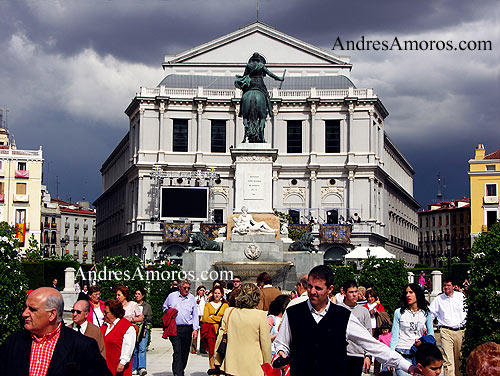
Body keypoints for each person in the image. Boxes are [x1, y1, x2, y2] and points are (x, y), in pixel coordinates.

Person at [274, 265, 419, 376]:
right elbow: (282, 343)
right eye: (310, 286)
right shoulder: (293, 312)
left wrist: (406, 366)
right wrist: (281, 352)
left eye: (318, 288)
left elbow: (373, 345)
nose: (312, 292)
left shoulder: (343, 316)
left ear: (330, 289)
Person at [0, 287, 111, 376]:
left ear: (52, 314)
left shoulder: (83, 346)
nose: (24, 314)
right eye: (25, 307)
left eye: (32, 309)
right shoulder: (13, 342)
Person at [214, 283, 272, 376]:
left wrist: (217, 360)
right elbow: (265, 345)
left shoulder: (229, 312)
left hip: (231, 365)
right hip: (254, 367)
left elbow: (220, 337)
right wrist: (267, 366)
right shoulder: (260, 315)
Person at [390, 283, 434, 376]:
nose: (408, 295)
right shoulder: (399, 312)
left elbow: (431, 335)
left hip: (418, 355)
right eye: (406, 293)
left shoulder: (426, 313)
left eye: (411, 292)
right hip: (401, 353)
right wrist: (390, 357)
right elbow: (394, 336)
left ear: (417, 294)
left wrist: (423, 342)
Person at [429, 278, 467, 376]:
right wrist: (426, 326)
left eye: (448, 285)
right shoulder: (438, 299)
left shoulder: (460, 297)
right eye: (444, 285)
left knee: (460, 359)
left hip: (460, 331)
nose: (446, 287)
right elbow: (431, 314)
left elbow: (467, 311)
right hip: (446, 331)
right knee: (448, 361)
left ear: (453, 286)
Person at [162, 278, 199, 376]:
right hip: (175, 328)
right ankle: (178, 373)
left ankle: (180, 369)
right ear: (179, 287)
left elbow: (195, 314)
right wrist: (169, 313)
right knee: (177, 350)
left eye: (188, 288)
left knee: (185, 352)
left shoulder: (191, 298)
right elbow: (164, 307)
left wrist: (195, 329)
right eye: (185, 288)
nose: (187, 290)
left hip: (187, 328)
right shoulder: (171, 296)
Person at [339, 280, 372, 376]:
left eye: (356, 291)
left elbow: (368, 334)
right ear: (344, 293)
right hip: (341, 354)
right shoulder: (338, 309)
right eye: (351, 292)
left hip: (358, 354)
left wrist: (368, 356)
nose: (354, 295)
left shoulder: (364, 311)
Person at [101, 299, 136, 376]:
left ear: (114, 312)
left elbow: (128, 347)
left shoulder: (127, 327)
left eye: (106, 312)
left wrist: (122, 363)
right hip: (105, 366)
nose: (103, 314)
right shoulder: (104, 325)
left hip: (119, 368)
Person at [202, 285, 229, 370]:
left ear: (222, 294)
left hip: (221, 331)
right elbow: (205, 318)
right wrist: (218, 319)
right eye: (215, 293)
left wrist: (213, 317)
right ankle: (212, 370)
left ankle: (219, 369)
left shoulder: (225, 306)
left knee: (220, 351)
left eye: (218, 293)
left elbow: (225, 318)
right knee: (211, 352)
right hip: (211, 331)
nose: (217, 295)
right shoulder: (208, 305)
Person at [132, 288, 153, 376]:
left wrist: (142, 318)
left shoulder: (146, 306)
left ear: (143, 295)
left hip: (143, 329)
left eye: (139, 294)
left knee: (142, 348)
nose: (137, 295)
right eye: (136, 294)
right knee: (134, 349)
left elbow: (150, 317)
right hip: (134, 328)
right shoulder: (132, 305)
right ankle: (134, 367)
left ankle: (142, 367)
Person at [192, 285, 207, 353]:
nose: (202, 292)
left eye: (203, 290)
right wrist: (196, 302)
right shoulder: (195, 298)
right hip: (196, 316)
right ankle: (193, 348)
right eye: (201, 290)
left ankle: (203, 349)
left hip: (203, 316)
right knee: (195, 332)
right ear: (198, 291)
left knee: (203, 333)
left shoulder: (206, 299)